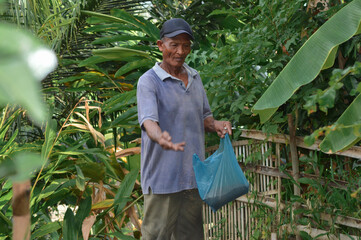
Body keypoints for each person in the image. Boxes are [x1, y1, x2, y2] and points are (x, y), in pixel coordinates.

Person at [137, 18, 232, 240]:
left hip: (192, 179)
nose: (181, 51)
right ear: (161, 45)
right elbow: (148, 121)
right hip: (162, 181)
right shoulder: (149, 81)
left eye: (186, 45)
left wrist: (217, 125)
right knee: (155, 237)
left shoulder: (195, 78)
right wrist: (160, 137)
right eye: (174, 45)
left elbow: (205, 117)